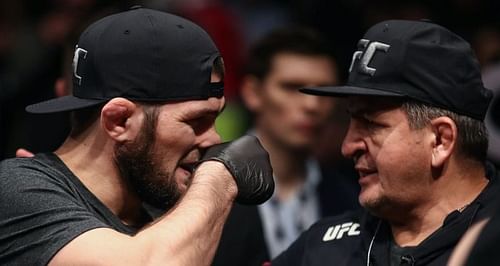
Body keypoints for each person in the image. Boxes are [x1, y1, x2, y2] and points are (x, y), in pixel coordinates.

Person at [0, 7, 274, 265]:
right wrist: (218, 177)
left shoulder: (173, 204)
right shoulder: (17, 189)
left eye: (215, 118)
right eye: (195, 121)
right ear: (119, 121)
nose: (213, 139)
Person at [272, 19, 499, 266]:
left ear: (440, 140)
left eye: (370, 124)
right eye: (351, 121)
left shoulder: (491, 243)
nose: (347, 146)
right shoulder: (322, 248)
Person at [212, 27, 359, 265]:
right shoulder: (206, 187)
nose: (312, 105)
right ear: (252, 93)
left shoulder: (350, 199)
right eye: (292, 87)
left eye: (323, 91)